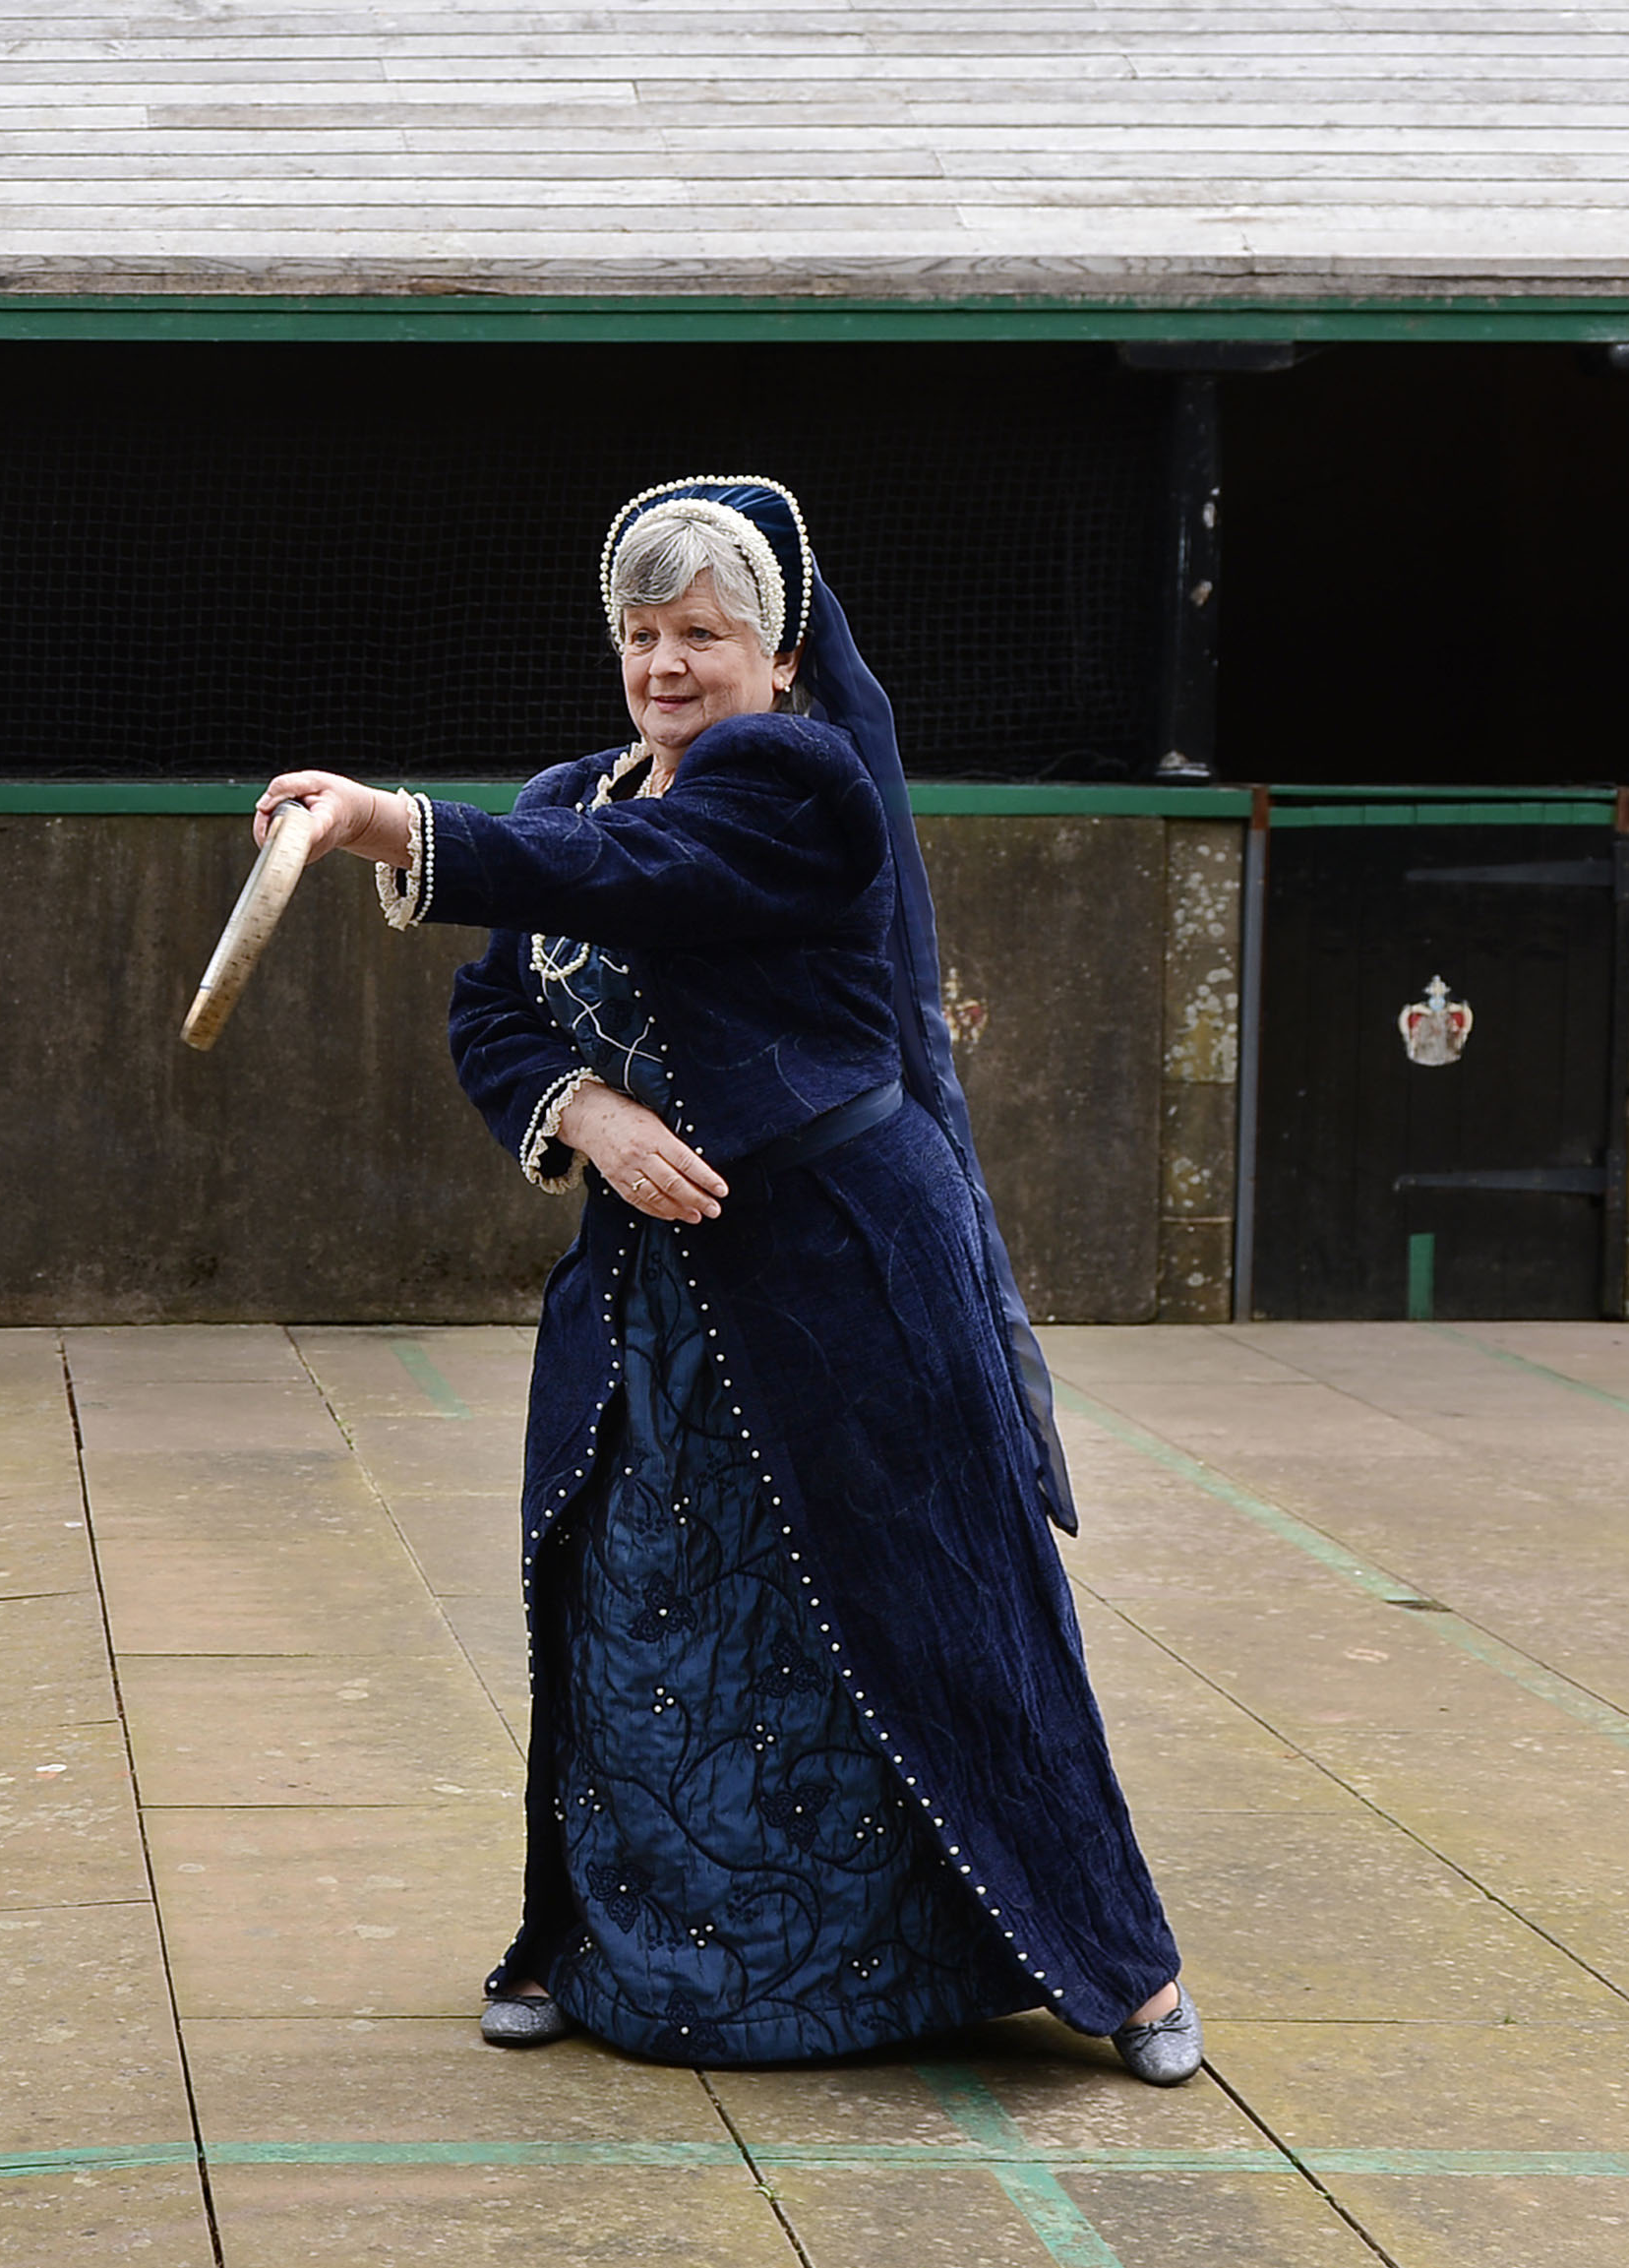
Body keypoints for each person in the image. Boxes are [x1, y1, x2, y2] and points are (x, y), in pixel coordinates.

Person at [255, 477, 1199, 2083]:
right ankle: (597, 1955)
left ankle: (1116, 1971)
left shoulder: (801, 782)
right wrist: (588, 1113)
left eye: (706, 632)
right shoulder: (578, 789)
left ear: (780, 651)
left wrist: (387, 824)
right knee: (635, 1614)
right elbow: (498, 1013)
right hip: (653, 1299)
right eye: (642, 633)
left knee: (929, 1608)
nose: (668, 664)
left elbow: (640, 884)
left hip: (846, 1270)